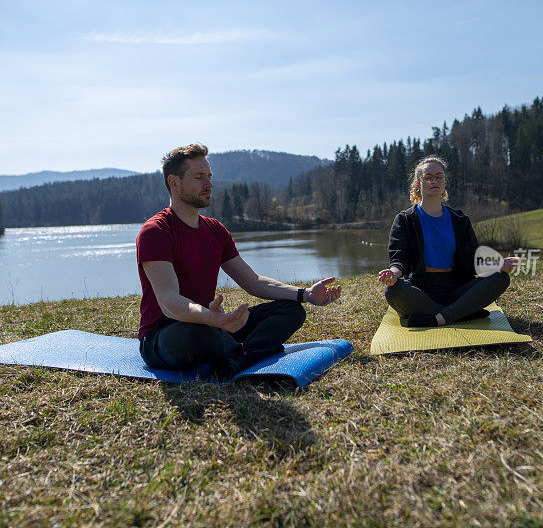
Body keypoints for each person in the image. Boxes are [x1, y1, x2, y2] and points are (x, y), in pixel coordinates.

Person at [137, 143, 342, 379]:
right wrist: (208, 317)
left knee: (291, 310)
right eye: (199, 177)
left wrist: (305, 294)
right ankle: (243, 352)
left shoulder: (215, 230)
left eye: (210, 177)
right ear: (174, 182)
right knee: (194, 336)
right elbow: (168, 301)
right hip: (166, 333)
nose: (209, 184)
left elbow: (254, 282)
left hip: (213, 325)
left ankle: (238, 359)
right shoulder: (156, 231)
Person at [377, 155, 519, 327]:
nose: (433, 181)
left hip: (456, 289)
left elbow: (474, 259)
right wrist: (393, 274)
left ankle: (438, 318)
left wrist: (498, 265)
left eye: (439, 177)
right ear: (417, 183)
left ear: (445, 182)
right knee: (393, 290)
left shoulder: (460, 220)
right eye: (427, 178)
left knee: (500, 278)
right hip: (421, 291)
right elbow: (399, 259)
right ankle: (461, 312)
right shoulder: (405, 219)